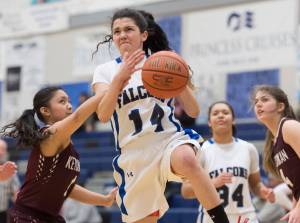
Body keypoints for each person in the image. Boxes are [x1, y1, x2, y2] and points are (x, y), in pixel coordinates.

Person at [92, 8, 229, 223]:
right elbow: (102, 114)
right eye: (117, 31)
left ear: (144, 35)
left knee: (186, 159)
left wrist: (178, 75)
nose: (122, 35)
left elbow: (193, 111)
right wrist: (119, 80)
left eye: (129, 29)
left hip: (168, 141)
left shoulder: (163, 63)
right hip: (133, 154)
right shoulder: (105, 71)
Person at [0, 86, 117, 223]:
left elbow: (67, 187)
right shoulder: (49, 134)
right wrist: (104, 91)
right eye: (62, 101)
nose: (69, 106)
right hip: (27, 216)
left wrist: (105, 200)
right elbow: (77, 118)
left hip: (50, 217)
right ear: (45, 111)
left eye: (69, 101)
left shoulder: (69, 148)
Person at [181, 101, 275, 223]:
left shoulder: (248, 148)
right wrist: (211, 183)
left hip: (246, 217)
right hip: (212, 218)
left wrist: (263, 192)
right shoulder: (200, 151)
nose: (221, 115)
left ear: (233, 120)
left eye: (225, 112)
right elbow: (185, 191)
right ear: (209, 122)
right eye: (215, 113)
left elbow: (255, 185)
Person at [252, 85, 300, 223]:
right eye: (256, 102)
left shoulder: (289, 126)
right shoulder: (273, 142)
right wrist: (294, 208)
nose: (258, 104)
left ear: (280, 107)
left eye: (265, 99)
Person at [0, 139, 20, 223]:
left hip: (2, 214)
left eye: (3, 149)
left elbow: (16, 195)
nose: (0, 152)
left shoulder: (10, 169)